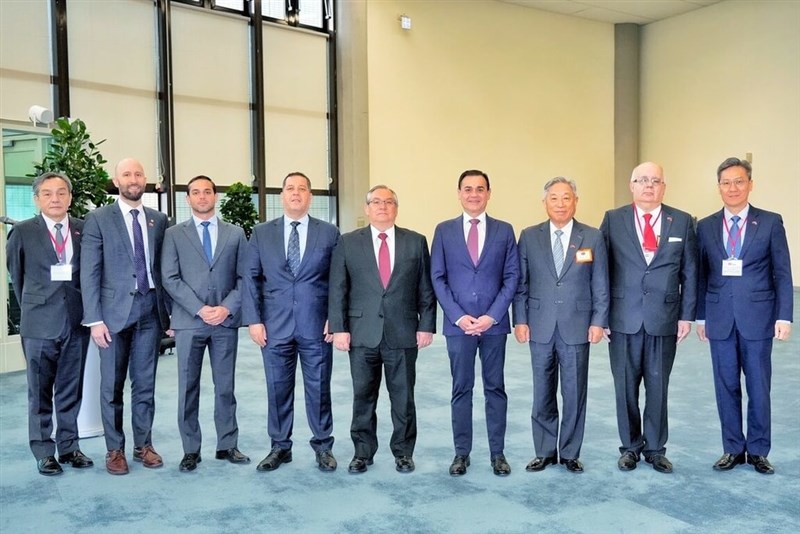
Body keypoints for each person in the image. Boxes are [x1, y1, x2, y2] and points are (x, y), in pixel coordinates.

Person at [328, 185, 437, 474]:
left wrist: (426, 325)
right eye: (376, 202)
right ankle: (362, 452)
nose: (382, 206)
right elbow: (338, 288)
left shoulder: (415, 242)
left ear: (396, 208)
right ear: (367, 208)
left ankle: (403, 452)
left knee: (403, 398)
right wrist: (339, 328)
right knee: (363, 396)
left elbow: (425, 289)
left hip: (402, 332)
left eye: (389, 202)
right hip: (362, 333)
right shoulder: (349, 242)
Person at [696, 157, 793, 475]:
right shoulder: (706, 226)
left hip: (759, 318)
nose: (732, 188)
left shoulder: (769, 222)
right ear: (719, 187)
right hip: (720, 317)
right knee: (725, 385)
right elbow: (700, 274)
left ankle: (759, 450)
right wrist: (700, 317)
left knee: (758, 385)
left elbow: (782, 272)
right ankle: (733, 448)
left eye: (739, 181)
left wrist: (784, 316)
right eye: (726, 182)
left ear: (750, 184)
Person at [599, 161, 697, 474]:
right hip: (622, 319)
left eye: (655, 181)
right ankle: (629, 447)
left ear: (663, 186)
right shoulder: (613, 220)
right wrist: (600, 317)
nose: (649, 186)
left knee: (658, 387)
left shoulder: (681, 221)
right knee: (625, 387)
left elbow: (690, 272)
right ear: (631, 185)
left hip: (664, 319)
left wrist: (687, 315)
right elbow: (600, 271)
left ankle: (655, 449)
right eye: (642, 180)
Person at [243, 172, 341, 472]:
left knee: (319, 388)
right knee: (277, 388)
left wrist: (334, 319)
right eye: (290, 188)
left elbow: (338, 281)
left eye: (302, 189)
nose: (296, 193)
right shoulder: (261, 233)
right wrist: (254, 321)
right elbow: (251, 278)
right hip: (274, 327)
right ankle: (280, 447)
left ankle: (323, 446)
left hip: (317, 326)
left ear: (310, 196)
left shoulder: (329, 233)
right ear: (281, 195)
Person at [513, 177, 609, 474]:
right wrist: (520, 319)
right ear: (544, 203)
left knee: (574, 391)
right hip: (539, 326)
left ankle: (569, 452)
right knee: (542, 390)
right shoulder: (529, 236)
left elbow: (601, 283)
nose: (560, 204)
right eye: (554, 198)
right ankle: (543, 450)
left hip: (577, 326)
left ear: (575, 201)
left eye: (566, 198)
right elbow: (521, 283)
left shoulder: (591, 236)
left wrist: (598, 321)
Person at [81, 158, 169, 475]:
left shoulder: (159, 220)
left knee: (145, 385)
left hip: (151, 312)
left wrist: (169, 316)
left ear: (145, 180)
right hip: (112, 316)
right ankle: (114, 449)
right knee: (112, 387)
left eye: (138, 173)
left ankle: (143, 445)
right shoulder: (98, 219)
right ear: (116, 181)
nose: (133, 179)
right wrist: (94, 320)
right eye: (126, 174)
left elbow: (166, 270)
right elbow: (89, 274)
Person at [430, 170, 519, 477]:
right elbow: (437, 278)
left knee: (495, 389)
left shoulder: (505, 230)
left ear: (489, 193)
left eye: (480, 189)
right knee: (461, 389)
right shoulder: (443, 230)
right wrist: (458, 316)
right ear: (458, 193)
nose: (473, 194)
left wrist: (491, 316)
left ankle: (498, 453)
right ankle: (461, 454)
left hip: (493, 326)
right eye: (467, 189)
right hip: (459, 326)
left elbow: (511, 277)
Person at [6, 172, 93, 476]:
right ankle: (44, 451)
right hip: (39, 325)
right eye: (47, 194)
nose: (55, 199)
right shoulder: (22, 232)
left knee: (71, 390)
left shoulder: (84, 229)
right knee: (40, 392)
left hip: (76, 322)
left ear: (70, 196)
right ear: (37, 199)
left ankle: (69, 447)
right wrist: (38, 306)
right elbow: (17, 279)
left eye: (61, 193)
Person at [162, 175, 249, 472]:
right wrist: (200, 309)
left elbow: (244, 278)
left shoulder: (235, 234)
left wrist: (226, 308)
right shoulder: (174, 234)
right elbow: (169, 278)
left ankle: (227, 444)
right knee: (188, 387)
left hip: (224, 322)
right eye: (196, 193)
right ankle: (190, 449)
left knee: (225, 387)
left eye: (207, 192)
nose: (202, 197)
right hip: (190, 322)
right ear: (188, 199)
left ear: (215, 197)